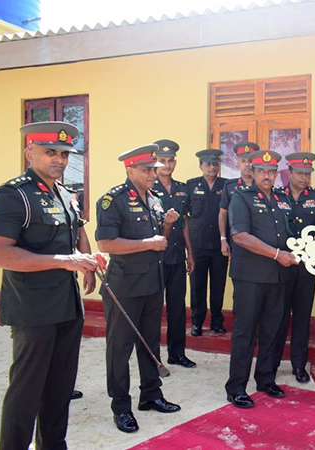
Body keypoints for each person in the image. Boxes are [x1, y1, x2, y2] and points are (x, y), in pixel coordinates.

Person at [0, 121, 103, 449]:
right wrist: (64, 261)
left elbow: (73, 234)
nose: (60, 160)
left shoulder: (66, 194)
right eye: (50, 152)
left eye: (64, 154)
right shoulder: (14, 194)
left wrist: (87, 259)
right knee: (26, 392)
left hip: (68, 305)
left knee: (59, 389)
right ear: (29, 153)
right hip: (33, 308)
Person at [96, 144, 182, 433]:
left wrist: (168, 226)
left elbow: (159, 237)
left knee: (149, 343)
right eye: (147, 170)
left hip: (152, 282)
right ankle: (121, 407)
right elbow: (106, 244)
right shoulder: (113, 200)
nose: (153, 175)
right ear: (129, 169)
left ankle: (151, 395)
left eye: (154, 170)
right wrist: (148, 244)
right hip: (124, 286)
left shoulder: (155, 200)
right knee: (119, 348)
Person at [225, 150, 299, 408]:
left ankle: (266, 379)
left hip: (278, 277)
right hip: (250, 278)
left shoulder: (281, 198)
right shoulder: (240, 198)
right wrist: (277, 254)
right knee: (245, 332)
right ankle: (236, 387)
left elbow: (291, 232)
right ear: (252, 172)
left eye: (271, 171)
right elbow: (240, 237)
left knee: (273, 330)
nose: (267, 176)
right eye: (261, 171)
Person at [271, 152, 315, 383]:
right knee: (278, 316)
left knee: (302, 316)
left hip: (307, 266)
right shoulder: (276, 196)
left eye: (308, 174)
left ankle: (298, 365)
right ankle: (272, 363)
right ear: (289, 173)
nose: (304, 178)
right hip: (282, 265)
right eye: (300, 173)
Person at [151, 139, 196, 368]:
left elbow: (185, 221)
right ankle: (152, 357)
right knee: (155, 308)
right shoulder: (148, 189)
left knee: (177, 307)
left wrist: (190, 253)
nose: (167, 165)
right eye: (162, 161)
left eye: (170, 161)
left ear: (175, 163)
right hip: (155, 258)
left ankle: (177, 353)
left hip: (177, 256)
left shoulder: (182, 188)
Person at [186, 149, 228, 336]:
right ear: (201, 166)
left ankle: (217, 322)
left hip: (219, 246)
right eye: (208, 164)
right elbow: (185, 217)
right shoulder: (191, 186)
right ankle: (197, 322)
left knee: (218, 286)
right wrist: (189, 250)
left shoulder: (226, 186)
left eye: (215, 164)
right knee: (197, 286)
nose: (212, 167)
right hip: (198, 245)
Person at [218, 141, 259, 259]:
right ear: (238, 164)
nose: (247, 164)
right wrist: (223, 239)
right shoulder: (230, 186)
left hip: (261, 241)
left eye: (250, 161)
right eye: (243, 161)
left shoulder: (263, 186)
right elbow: (222, 214)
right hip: (238, 242)